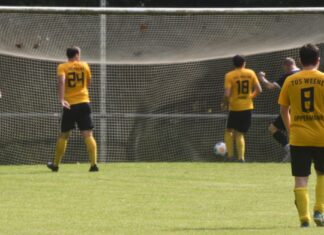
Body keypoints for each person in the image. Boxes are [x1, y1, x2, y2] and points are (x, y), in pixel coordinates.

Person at [279, 43, 324, 227]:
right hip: (322, 136)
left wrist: (291, 131)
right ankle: (319, 210)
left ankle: (304, 220)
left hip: (298, 137)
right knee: (322, 173)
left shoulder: (290, 80)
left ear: (300, 60)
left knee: (300, 178)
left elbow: (283, 110)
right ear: (318, 60)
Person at [47, 46, 99, 172]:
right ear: (76, 54)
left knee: (64, 135)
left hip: (69, 105)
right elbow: (88, 82)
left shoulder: (62, 67)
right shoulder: (85, 65)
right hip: (84, 103)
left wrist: (61, 100)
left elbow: (61, 81)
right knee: (88, 134)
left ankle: (55, 165)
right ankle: (93, 165)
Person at [258, 58, 300, 162]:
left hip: (291, 109)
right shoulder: (303, 73)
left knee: (272, 128)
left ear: (286, 65)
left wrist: (262, 78)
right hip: (305, 109)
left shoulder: (287, 76)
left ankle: (289, 148)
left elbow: (270, 86)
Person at [222, 55, 262, 162]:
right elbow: (259, 90)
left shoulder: (229, 75)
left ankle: (230, 156)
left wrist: (225, 103)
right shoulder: (251, 73)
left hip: (234, 108)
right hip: (247, 107)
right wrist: (249, 97)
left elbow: (227, 94)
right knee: (240, 133)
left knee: (229, 130)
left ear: (233, 64)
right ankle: (241, 158)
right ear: (244, 63)